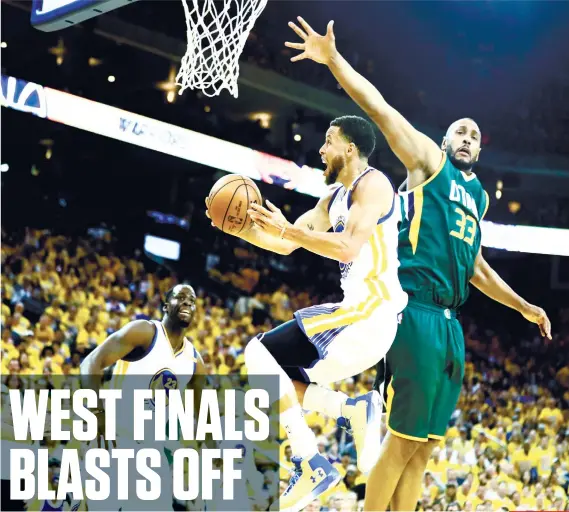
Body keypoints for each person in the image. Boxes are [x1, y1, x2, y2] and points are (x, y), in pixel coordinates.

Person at [284, 16, 552, 511]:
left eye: (474, 133)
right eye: (459, 131)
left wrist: (523, 306)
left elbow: (475, 269)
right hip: (414, 313)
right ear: (446, 142)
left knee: (425, 448)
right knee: (402, 439)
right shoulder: (429, 163)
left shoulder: (477, 200)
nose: (467, 136)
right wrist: (334, 61)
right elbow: (382, 111)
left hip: (451, 325)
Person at [206, 114, 408, 510]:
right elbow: (284, 243)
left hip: (372, 310)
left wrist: (289, 231)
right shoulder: (332, 199)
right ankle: (350, 408)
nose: (321, 149)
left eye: (329, 141)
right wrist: (240, 228)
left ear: (350, 148)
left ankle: (309, 461)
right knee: (274, 377)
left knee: (257, 352)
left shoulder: (374, 185)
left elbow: (348, 247)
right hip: (361, 319)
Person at [80, 284, 207, 512]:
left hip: (152, 451)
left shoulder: (195, 361)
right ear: (166, 305)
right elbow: (90, 363)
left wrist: (214, 448)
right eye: (181, 298)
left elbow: (203, 416)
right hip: (114, 441)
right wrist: (97, 413)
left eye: (192, 300)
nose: (188, 302)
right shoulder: (144, 332)